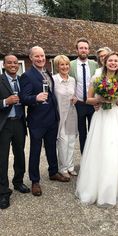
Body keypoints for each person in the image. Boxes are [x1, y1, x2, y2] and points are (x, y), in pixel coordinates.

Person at [75, 51, 118, 206]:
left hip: (115, 117)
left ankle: (112, 188)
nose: (113, 63)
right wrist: (100, 98)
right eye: (110, 60)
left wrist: (113, 96)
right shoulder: (96, 79)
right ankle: (94, 187)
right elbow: (87, 99)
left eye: (116, 61)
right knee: (99, 149)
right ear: (105, 62)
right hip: (100, 117)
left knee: (114, 150)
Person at [20, 46, 70, 197]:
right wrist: (35, 98)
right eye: (37, 57)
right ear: (31, 58)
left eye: (42, 56)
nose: (41, 59)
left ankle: (53, 172)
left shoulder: (47, 72)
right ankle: (35, 180)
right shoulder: (27, 76)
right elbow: (23, 98)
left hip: (51, 118)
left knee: (51, 147)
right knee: (35, 151)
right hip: (37, 121)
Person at [0, 55, 30, 209]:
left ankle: (18, 182)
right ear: (4, 65)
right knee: (2, 160)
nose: (12, 65)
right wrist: (6, 102)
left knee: (20, 155)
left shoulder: (22, 80)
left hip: (19, 123)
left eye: (15, 63)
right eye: (9, 63)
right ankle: (3, 192)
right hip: (3, 126)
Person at [69, 38, 98, 154]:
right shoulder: (71, 65)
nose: (83, 50)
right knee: (82, 133)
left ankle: (93, 156)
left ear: (89, 50)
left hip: (92, 104)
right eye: (81, 48)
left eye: (86, 48)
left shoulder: (94, 65)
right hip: (79, 104)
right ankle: (84, 157)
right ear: (77, 50)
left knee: (93, 132)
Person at [53, 55, 78, 179]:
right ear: (57, 66)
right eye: (62, 64)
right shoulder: (53, 80)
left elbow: (74, 95)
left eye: (67, 64)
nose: (65, 67)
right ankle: (62, 168)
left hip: (72, 113)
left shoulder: (73, 80)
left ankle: (70, 166)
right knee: (63, 142)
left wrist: (75, 99)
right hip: (60, 115)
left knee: (72, 142)